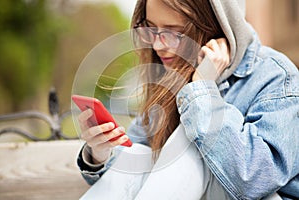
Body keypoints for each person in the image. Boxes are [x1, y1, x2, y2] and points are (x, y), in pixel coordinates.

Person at [76, 0, 299, 199]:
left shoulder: (277, 76)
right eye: (151, 28)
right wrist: (100, 153)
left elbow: (254, 181)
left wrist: (203, 89)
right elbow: (132, 168)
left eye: (174, 33)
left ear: (217, 27)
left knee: (191, 142)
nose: (157, 45)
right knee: (140, 153)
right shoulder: (172, 74)